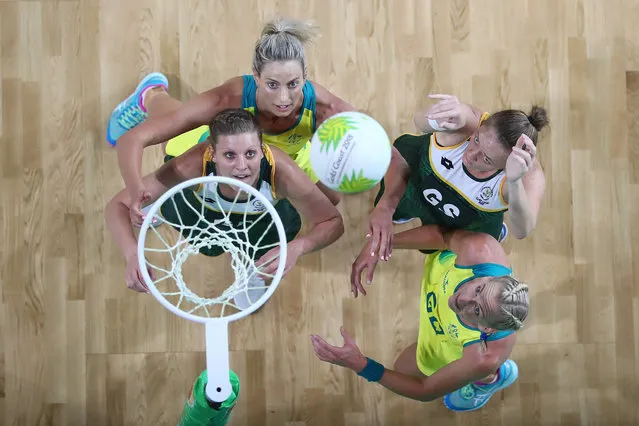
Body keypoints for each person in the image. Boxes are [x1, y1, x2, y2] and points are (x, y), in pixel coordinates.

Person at [106, 17, 357, 222]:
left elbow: (387, 153)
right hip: (228, 148)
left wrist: (386, 206)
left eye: (293, 84)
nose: (283, 98)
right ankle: (150, 96)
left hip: (287, 156)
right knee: (174, 134)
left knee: (331, 198)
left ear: (305, 76)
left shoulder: (327, 109)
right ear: (256, 76)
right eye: (272, 84)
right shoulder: (226, 100)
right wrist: (137, 190)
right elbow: (135, 139)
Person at [104, 107, 344, 308]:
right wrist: (132, 253)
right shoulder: (191, 165)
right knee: (173, 139)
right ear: (213, 153)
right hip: (201, 206)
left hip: (261, 217)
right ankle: (152, 94)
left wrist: (299, 247)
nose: (242, 167)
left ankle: (253, 268)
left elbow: (333, 222)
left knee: (292, 228)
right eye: (229, 155)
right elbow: (117, 204)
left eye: (250, 153)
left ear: (261, 150)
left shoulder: (281, 173)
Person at [311, 227, 530, 412]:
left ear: (487, 330)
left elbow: (424, 390)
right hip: (444, 319)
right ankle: (483, 375)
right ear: (488, 277)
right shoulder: (478, 249)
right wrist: (383, 242)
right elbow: (441, 236)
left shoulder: (484, 355)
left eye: (478, 311)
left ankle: (487, 380)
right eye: (478, 289)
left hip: (451, 346)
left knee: (403, 369)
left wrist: (360, 365)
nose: (463, 299)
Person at [352, 94, 548, 284]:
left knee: (465, 239)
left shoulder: (526, 175)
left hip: (470, 214)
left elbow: (522, 230)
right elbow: (419, 122)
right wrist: (437, 120)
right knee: (401, 196)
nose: (471, 154)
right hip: (425, 181)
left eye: (486, 159)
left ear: (505, 167)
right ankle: (404, 212)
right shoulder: (468, 122)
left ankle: (495, 229)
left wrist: (514, 182)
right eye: (477, 139)